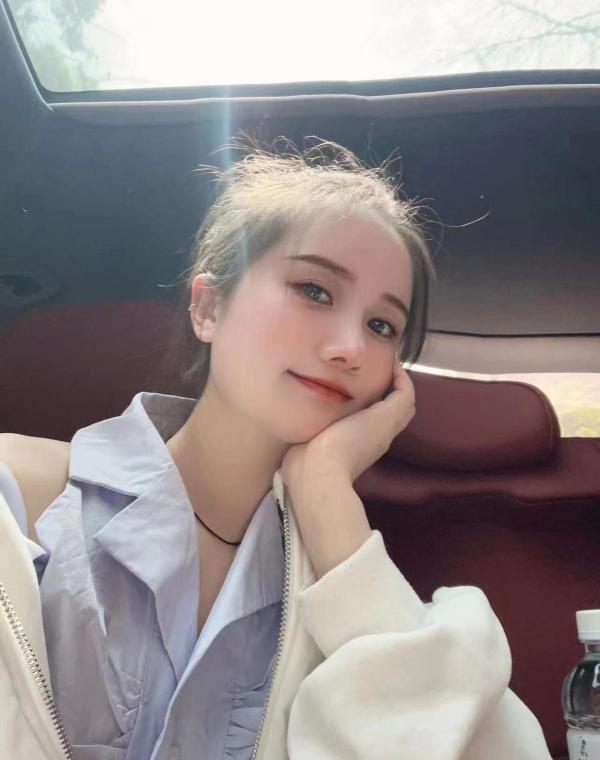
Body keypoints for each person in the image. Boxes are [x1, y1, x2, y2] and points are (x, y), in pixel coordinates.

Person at [0, 136, 552, 760]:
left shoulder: (337, 584)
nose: (350, 348)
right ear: (209, 307)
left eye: (382, 326)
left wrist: (325, 490)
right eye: (315, 290)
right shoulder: (19, 493)